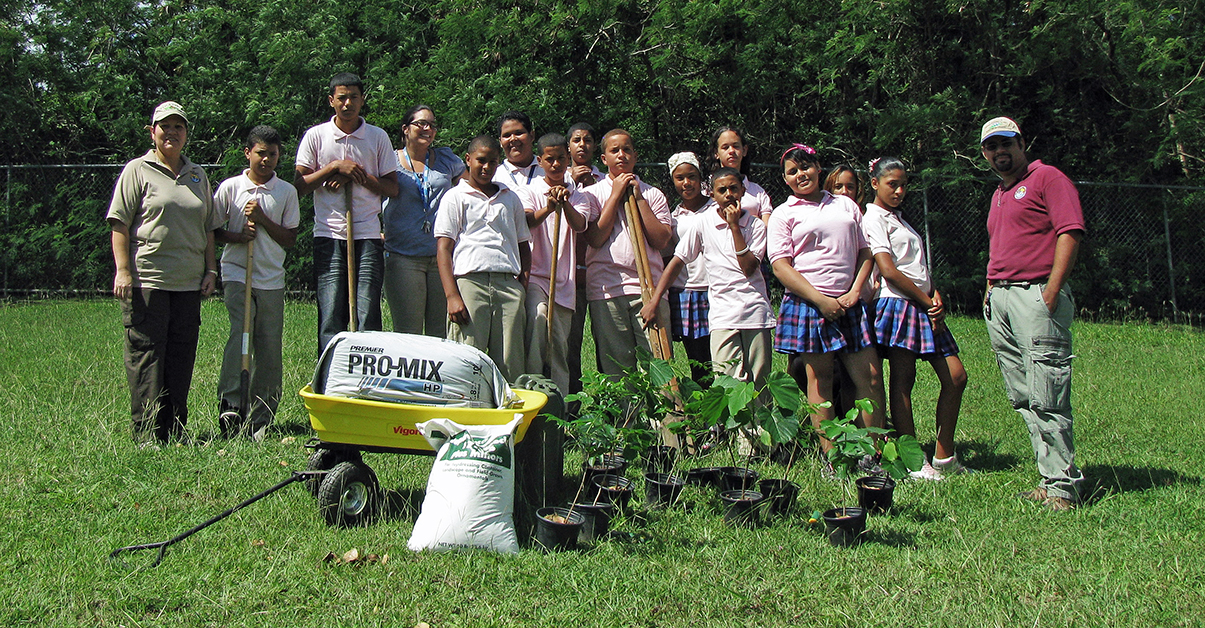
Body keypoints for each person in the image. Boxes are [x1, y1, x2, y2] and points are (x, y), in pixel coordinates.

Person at [980, 116, 1085, 510]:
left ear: (1022, 144)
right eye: (992, 146)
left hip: (1036, 296)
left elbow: (1070, 231)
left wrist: (1051, 291)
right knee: (1023, 395)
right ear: (984, 154)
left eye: (1006, 143)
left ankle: (1063, 486)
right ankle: (1048, 475)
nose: (1000, 151)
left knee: (1048, 393)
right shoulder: (999, 194)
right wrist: (990, 290)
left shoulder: (1047, 179)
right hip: (1002, 300)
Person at [107, 101, 221, 446]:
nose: (171, 132)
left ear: (186, 133)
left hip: (188, 283)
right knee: (147, 356)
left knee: (181, 356)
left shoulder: (197, 175)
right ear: (152, 131)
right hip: (148, 281)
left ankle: (175, 430)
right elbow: (119, 223)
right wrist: (123, 271)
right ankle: (147, 434)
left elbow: (208, 228)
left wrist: (211, 269)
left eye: (178, 127)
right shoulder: (137, 170)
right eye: (164, 126)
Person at [768, 144, 885, 462]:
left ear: (818, 168)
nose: (800, 174)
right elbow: (780, 266)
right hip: (810, 305)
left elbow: (865, 252)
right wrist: (820, 301)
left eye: (805, 167)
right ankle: (830, 457)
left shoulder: (845, 206)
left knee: (871, 378)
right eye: (792, 171)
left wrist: (855, 291)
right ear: (785, 179)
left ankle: (873, 455)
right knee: (820, 381)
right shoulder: (784, 214)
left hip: (849, 303)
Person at [863, 156, 970, 480]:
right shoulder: (873, 217)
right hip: (899, 304)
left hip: (923, 304)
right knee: (903, 380)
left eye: (903, 185)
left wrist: (934, 293)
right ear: (875, 183)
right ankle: (913, 459)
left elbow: (916, 267)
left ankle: (944, 455)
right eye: (892, 184)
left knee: (956, 377)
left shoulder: (900, 218)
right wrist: (925, 300)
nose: (899, 191)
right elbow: (888, 270)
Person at [294, 72, 400, 352]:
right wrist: (333, 168)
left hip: (367, 234)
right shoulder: (316, 136)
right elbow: (299, 186)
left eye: (354, 97)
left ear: (362, 100)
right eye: (342, 98)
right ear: (331, 100)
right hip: (328, 234)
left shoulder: (377, 137)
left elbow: (392, 188)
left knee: (367, 311)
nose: (348, 103)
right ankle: (331, 371)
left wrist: (357, 175)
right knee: (331, 312)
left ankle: (366, 369)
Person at [642, 167, 774, 391]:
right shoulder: (703, 223)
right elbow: (677, 261)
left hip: (754, 313)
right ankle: (733, 418)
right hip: (723, 315)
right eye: (722, 190)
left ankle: (759, 416)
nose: (729, 194)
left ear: (743, 191)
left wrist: (734, 227)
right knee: (726, 381)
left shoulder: (756, 226)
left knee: (759, 382)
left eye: (734, 188)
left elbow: (749, 267)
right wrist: (655, 301)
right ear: (712, 194)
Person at [212, 125, 300, 441]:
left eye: (272, 154)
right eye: (261, 153)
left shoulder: (285, 192)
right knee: (242, 333)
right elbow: (213, 230)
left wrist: (262, 219)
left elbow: (289, 238)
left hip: (271, 277)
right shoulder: (230, 188)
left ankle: (262, 415)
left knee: (269, 345)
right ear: (248, 153)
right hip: (238, 273)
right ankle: (232, 405)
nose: (266, 160)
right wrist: (238, 237)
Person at [435, 135, 531, 382]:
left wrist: (522, 285)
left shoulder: (509, 198)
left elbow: (523, 244)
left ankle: (508, 405)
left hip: (507, 284)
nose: (487, 167)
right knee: (466, 358)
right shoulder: (455, 196)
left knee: (510, 360)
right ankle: (465, 405)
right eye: (481, 160)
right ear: (468, 159)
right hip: (469, 283)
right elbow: (444, 249)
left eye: (493, 162)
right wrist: (452, 296)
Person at [581, 129, 673, 375]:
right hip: (607, 290)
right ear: (604, 159)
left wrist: (639, 198)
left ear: (635, 155)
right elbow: (596, 238)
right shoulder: (592, 194)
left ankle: (663, 404)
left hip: (649, 289)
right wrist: (615, 195)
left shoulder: (653, 194)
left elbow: (661, 240)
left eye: (627, 150)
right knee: (617, 368)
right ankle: (625, 404)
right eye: (614, 151)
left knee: (658, 366)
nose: (621, 155)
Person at [382, 105, 465, 337]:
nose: (427, 128)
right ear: (405, 129)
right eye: (421, 123)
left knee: (440, 333)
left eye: (432, 125)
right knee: (408, 332)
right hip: (403, 256)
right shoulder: (389, 160)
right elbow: (370, 195)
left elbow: (470, 191)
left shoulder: (446, 159)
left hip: (441, 257)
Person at [521, 133, 588, 394]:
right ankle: (533, 394)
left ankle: (559, 404)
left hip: (564, 281)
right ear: (540, 161)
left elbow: (580, 225)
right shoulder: (529, 191)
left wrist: (565, 203)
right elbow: (527, 221)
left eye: (561, 158)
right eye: (550, 159)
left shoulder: (578, 195)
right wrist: (548, 207)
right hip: (538, 277)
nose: (556, 164)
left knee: (559, 345)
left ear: (568, 159)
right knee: (538, 322)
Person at [662, 152, 714, 386]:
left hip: (715, 288)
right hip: (686, 291)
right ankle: (703, 403)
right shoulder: (674, 217)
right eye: (680, 178)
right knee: (698, 360)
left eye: (691, 176)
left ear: (700, 177)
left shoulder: (715, 209)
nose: (686, 183)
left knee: (720, 356)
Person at [566, 122, 604, 393]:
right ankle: (572, 405)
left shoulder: (605, 181)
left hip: (601, 274)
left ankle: (613, 404)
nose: (582, 145)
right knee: (570, 344)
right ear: (568, 146)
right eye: (576, 140)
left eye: (588, 140)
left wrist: (591, 185)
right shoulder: (558, 178)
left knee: (608, 344)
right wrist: (570, 181)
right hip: (570, 274)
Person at [706, 125, 774, 223]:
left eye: (736, 146)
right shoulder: (705, 190)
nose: (731, 151)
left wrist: (752, 222)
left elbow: (767, 226)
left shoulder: (758, 192)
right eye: (725, 147)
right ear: (716, 153)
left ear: (744, 150)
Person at [493, 110, 544, 196]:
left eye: (518, 133)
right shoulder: (494, 177)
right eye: (507, 135)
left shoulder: (550, 171)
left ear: (532, 135)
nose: (513, 138)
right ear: (500, 142)